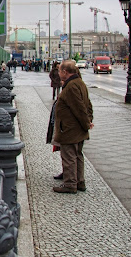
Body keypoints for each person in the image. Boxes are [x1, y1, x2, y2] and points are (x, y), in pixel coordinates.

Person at [53, 60, 94, 193]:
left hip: (70, 128)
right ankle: (79, 181)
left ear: (65, 72)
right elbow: (88, 105)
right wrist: (88, 120)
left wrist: (87, 123)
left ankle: (70, 184)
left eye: (60, 71)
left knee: (69, 156)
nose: (59, 73)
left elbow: (79, 108)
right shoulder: (79, 83)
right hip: (76, 128)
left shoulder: (71, 87)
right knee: (77, 155)